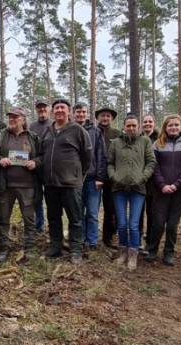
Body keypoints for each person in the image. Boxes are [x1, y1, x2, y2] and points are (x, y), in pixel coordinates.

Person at [35, 99, 92, 263]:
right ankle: (55, 246)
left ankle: (75, 250)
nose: (59, 110)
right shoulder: (48, 131)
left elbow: (87, 157)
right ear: (53, 111)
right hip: (51, 184)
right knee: (53, 217)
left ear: (69, 112)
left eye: (63, 107)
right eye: (57, 108)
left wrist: (78, 175)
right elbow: (41, 154)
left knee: (75, 218)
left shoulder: (78, 130)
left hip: (71, 184)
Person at [0, 106, 41, 263]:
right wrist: (0, 160)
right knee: (4, 218)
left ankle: (30, 249)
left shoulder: (33, 137)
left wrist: (35, 162)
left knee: (29, 219)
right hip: (6, 186)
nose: (11, 119)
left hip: (28, 186)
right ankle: (3, 248)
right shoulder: (1, 136)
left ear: (23, 119)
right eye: (10, 117)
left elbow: (42, 157)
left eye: (15, 117)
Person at [145, 115, 181, 265]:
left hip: (180, 190)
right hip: (160, 190)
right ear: (165, 127)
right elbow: (154, 167)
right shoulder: (157, 144)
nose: (173, 128)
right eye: (170, 125)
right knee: (158, 222)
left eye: (176, 125)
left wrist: (177, 185)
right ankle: (152, 250)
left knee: (173, 224)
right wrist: (162, 185)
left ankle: (169, 252)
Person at [107, 115, 156, 269]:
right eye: (129, 125)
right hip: (119, 188)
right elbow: (109, 163)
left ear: (138, 126)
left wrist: (143, 178)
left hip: (138, 189)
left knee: (134, 224)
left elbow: (151, 162)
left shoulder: (145, 141)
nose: (131, 128)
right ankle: (123, 251)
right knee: (121, 223)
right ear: (124, 126)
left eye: (134, 125)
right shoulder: (115, 143)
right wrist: (114, 177)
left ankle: (133, 253)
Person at [73, 103, 107, 250]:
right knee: (78, 212)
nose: (81, 114)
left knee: (92, 212)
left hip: (92, 179)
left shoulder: (96, 131)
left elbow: (101, 155)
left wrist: (100, 177)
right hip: (74, 179)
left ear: (87, 114)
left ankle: (92, 241)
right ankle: (79, 239)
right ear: (74, 113)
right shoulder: (69, 130)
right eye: (78, 112)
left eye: (83, 112)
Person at [95, 106, 121, 248]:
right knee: (92, 209)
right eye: (102, 115)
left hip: (112, 178)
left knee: (110, 208)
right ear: (97, 117)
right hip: (95, 176)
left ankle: (108, 237)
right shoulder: (92, 132)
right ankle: (90, 237)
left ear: (111, 118)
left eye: (108, 116)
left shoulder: (117, 134)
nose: (105, 118)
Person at [28, 100, 51, 234]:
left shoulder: (53, 125)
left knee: (51, 200)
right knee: (37, 199)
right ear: (36, 110)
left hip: (49, 168)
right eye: (39, 108)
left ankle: (52, 227)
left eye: (44, 107)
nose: (42, 110)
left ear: (48, 109)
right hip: (35, 168)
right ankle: (39, 226)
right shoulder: (32, 126)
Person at [138, 113, 159, 253]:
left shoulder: (160, 139)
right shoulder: (138, 139)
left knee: (152, 213)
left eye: (150, 121)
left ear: (154, 123)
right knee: (138, 212)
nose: (147, 124)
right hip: (139, 181)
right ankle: (138, 238)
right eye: (145, 122)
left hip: (154, 182)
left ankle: (150, 240)